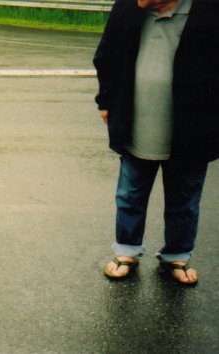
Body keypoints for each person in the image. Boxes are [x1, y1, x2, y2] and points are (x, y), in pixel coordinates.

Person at [94, 0, 219, 285]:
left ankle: (177, 256)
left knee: (184, 198)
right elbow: (106, 55)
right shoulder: (128, 8)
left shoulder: (209, 8)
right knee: (130, 192)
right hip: (136, 118)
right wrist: (105, 100)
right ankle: (126, 252)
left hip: (192, 126)